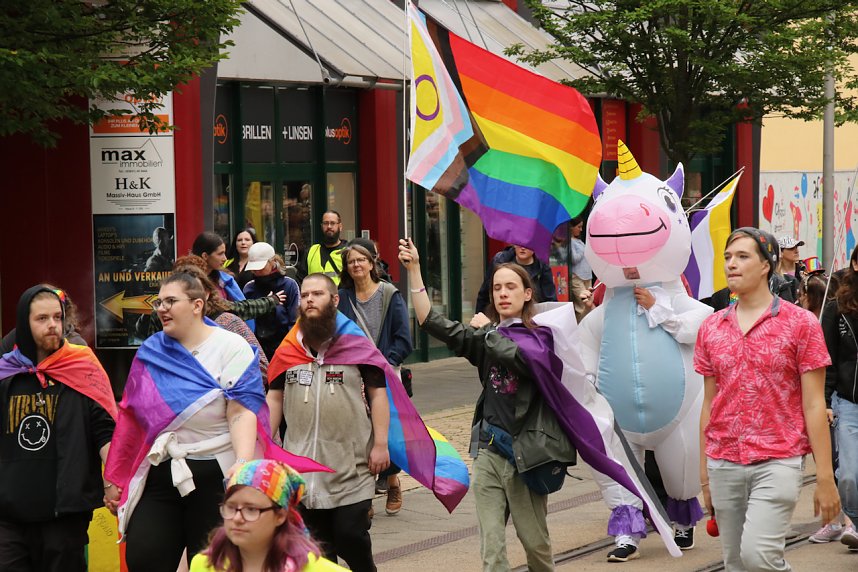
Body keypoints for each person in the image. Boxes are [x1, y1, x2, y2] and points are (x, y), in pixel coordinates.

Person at [399, 238, 576, 572]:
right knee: (491, 547)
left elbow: (523, 360)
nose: (502, 294)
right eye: (497, 288)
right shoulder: (486, 336)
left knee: (535, 544)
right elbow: (431, 321)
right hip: (489, 451)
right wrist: (415, 270)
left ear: (528, 293)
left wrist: (489, 332)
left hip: (526, 455)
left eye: (511, 287)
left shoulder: (541, 337)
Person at [696, 227, 840, 571]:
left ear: (766, 266)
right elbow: (708, 404)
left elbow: (814, 405)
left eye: (742, 256)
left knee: (758, 557)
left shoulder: (800, 324)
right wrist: (704, 478)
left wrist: (825, 477)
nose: (731, 264)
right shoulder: (711, 327)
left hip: (778, 460)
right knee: (735, 564)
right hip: (723, 462)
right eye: (728, 257)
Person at [104, 272, 266, 572]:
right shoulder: (151, 351)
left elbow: (241, 411)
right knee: (144, 557)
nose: (162, 309)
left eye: (171, 301)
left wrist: (243, 465)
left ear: (197, 305)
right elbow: (132, 419)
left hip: (217, 473)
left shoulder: (231, 346)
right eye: (159, 302)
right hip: (162, 467)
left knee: (212, 565)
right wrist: (117, 477)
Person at [266, 273, 390, 572]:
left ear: (334, 300)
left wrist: (381, 444)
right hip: (301, 469)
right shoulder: (288, 350)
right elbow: (274, 398)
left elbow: (378, 395)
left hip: (351, 467)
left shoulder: (356, 345)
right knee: (316, 553)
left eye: (317, 294)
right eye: (305, 295)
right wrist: (265, 444)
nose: (309, 299)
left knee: (350, 537)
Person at [0, 285, 117, 572]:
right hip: (8, 514)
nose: (52, 325)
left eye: (57, 317)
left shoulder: (82, 367)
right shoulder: (6, 373)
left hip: (64, 514)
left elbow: (104, 430)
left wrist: (115, 480)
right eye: (42, 318)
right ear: (24, 323)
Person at [337, 241, 413, 514]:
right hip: (353, 375)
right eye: (351, 261)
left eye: (361, 260)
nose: (356, 265)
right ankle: (365, 494)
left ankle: (392, 481)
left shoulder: (389, 294)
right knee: (359, 434)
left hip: (385, 374)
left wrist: (385, 363)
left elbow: (404, 339)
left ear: (372, 263)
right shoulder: (342, 297)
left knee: (389, 434)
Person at [190, 459, 345, 572]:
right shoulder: (204, 565)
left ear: (280, 516)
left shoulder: (318, 569)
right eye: (231, 507)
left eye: (251, 510)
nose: (237, 518)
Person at [819, 244, 858, 551]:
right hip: (848, 403)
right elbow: (826, 360)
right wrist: (824, 401)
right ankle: (855, 520)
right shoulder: (836, 308)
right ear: (855, 264)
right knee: (848, 476)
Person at [243, 242, 300, 360]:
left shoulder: (289, 285)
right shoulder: (249, 288)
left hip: (285, 347)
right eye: (253, 268)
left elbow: (295, 321)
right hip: (257, 349)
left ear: (273, 262)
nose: (256, 271)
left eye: (260, 267)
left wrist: (289, 349)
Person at [475, 245, 557, 314]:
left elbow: (550, 300)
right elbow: (484, 295)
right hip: (501, 318)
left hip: (533, 317)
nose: (522, 248)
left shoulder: (542, 267)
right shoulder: (500, 261)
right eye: (519, 243)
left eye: (527, 244)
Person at [193, 231, 245, 303]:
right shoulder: (187, 281)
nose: (225, 259)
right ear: (205, 256)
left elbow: (242, 305)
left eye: (224, 253)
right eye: (220, 254)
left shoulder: (226, 280)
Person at [295, 211, 346, 285]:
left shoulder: (347, 252)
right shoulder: (311, 252)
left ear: (340, 226)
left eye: (332, 223)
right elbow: (300, 281)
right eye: (325, 223)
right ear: (322, 226)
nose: (329, 226)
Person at [568, 217, 593, 321]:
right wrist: (584, 250)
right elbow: (574, 259)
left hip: (586, 276)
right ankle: (580, 327)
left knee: (590, 303)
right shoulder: (569, 242)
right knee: (582, 306)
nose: (581, 229)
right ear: (571, 227)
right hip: (577, 277)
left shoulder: (578, 241)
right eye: (579, 227)